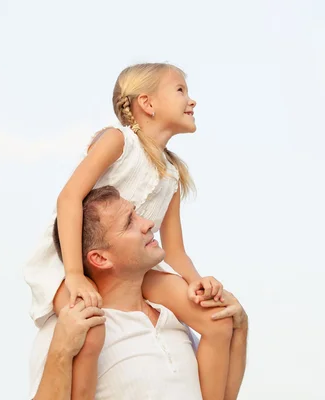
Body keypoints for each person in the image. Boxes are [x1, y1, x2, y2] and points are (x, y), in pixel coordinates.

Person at [25, 63, 235, 399]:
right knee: (89, 330)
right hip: (73, 258)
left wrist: (195, 281)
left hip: (135, 263)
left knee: (217, 319)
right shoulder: (118, 141)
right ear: (147, 103)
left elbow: (175, 250)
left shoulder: (172, 173)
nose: (192, 100)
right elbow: (69, 198)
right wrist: (76, 275)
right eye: (180, 90)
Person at [30, 186, 248, 400]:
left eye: (136, 213)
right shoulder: (75, 329)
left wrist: (240, 328)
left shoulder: (172, 319)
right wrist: (60, 351)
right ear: (101, 258)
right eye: (129, 222)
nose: (148, 224)